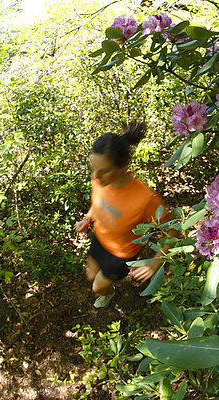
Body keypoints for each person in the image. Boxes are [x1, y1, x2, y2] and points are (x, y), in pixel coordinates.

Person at [74, 121, 176, 309]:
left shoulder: (145, 199)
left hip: (120, 255)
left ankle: (109, 293)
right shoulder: (99, 179)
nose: (95, 176)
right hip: (99, 239)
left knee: (97, 287)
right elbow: (97, 202)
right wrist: (87, 218)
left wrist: (155, 262)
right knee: (90, 275)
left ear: (122, 167)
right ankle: (106, 287)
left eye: (103, 171)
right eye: (93, 168)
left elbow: (174, 229)